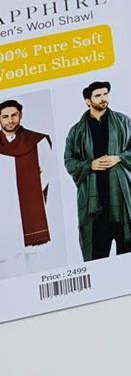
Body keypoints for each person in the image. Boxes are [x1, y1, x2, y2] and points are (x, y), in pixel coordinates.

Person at [63, 82, 131, 261]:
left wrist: (119, 158)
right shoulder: (76, 131)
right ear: (88, 101)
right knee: (97, 256)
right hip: (94, 201)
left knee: (129, 253)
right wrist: (89, 165)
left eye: (105, 94)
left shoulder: (123, 122)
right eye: (98, 95)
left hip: (120, 195)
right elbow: (69, 161)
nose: (103, 99)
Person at [0, 99, 53, 274]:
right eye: (5, 116)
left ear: (21, 115)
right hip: (4, 208)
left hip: (30, 205)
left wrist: (30, 193)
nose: (10, 120)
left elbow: (47, 170)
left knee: (35, 262)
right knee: (8, 265)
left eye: (14, 115)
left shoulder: (37, 141)